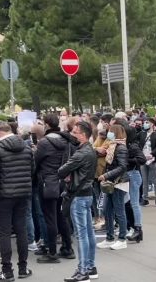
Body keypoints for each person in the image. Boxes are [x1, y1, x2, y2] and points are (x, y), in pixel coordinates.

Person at [0, 122, 34, 282]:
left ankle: (7, 270)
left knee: (4, 232)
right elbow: (32, 170)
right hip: (23, 193)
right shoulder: (27, 148)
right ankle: (23, 267)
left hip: (2, 195)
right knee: (21, 231)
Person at [58, 121, 99, 282]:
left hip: (78, 195)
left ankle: (83, 270)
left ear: (83, 135)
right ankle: (89, 267)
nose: (72, 135)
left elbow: (61, 171)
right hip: (86, 193)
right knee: (88, 233)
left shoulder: (81, 153)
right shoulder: (89, 150)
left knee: (82, 234)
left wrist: (69, 174)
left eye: (75, 132)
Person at [35, 114, 77, 262]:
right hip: (62, 181)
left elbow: (36, 163)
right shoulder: (66, 140)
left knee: (50, 218)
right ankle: (67, 248)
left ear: (46, 125)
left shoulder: (44, 142)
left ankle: (52, 252)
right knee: (61, 216)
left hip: (47, 182)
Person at [96, 124, 128, 251]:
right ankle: (109, 237)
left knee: (119, 210)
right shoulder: (111, 146)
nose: (108, 133)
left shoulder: (120, 148)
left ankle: (122, 239)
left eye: (110, 132)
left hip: (119, 182)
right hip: (111, 181)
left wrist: (106, 175)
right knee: (107, 209)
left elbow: (122, 166)